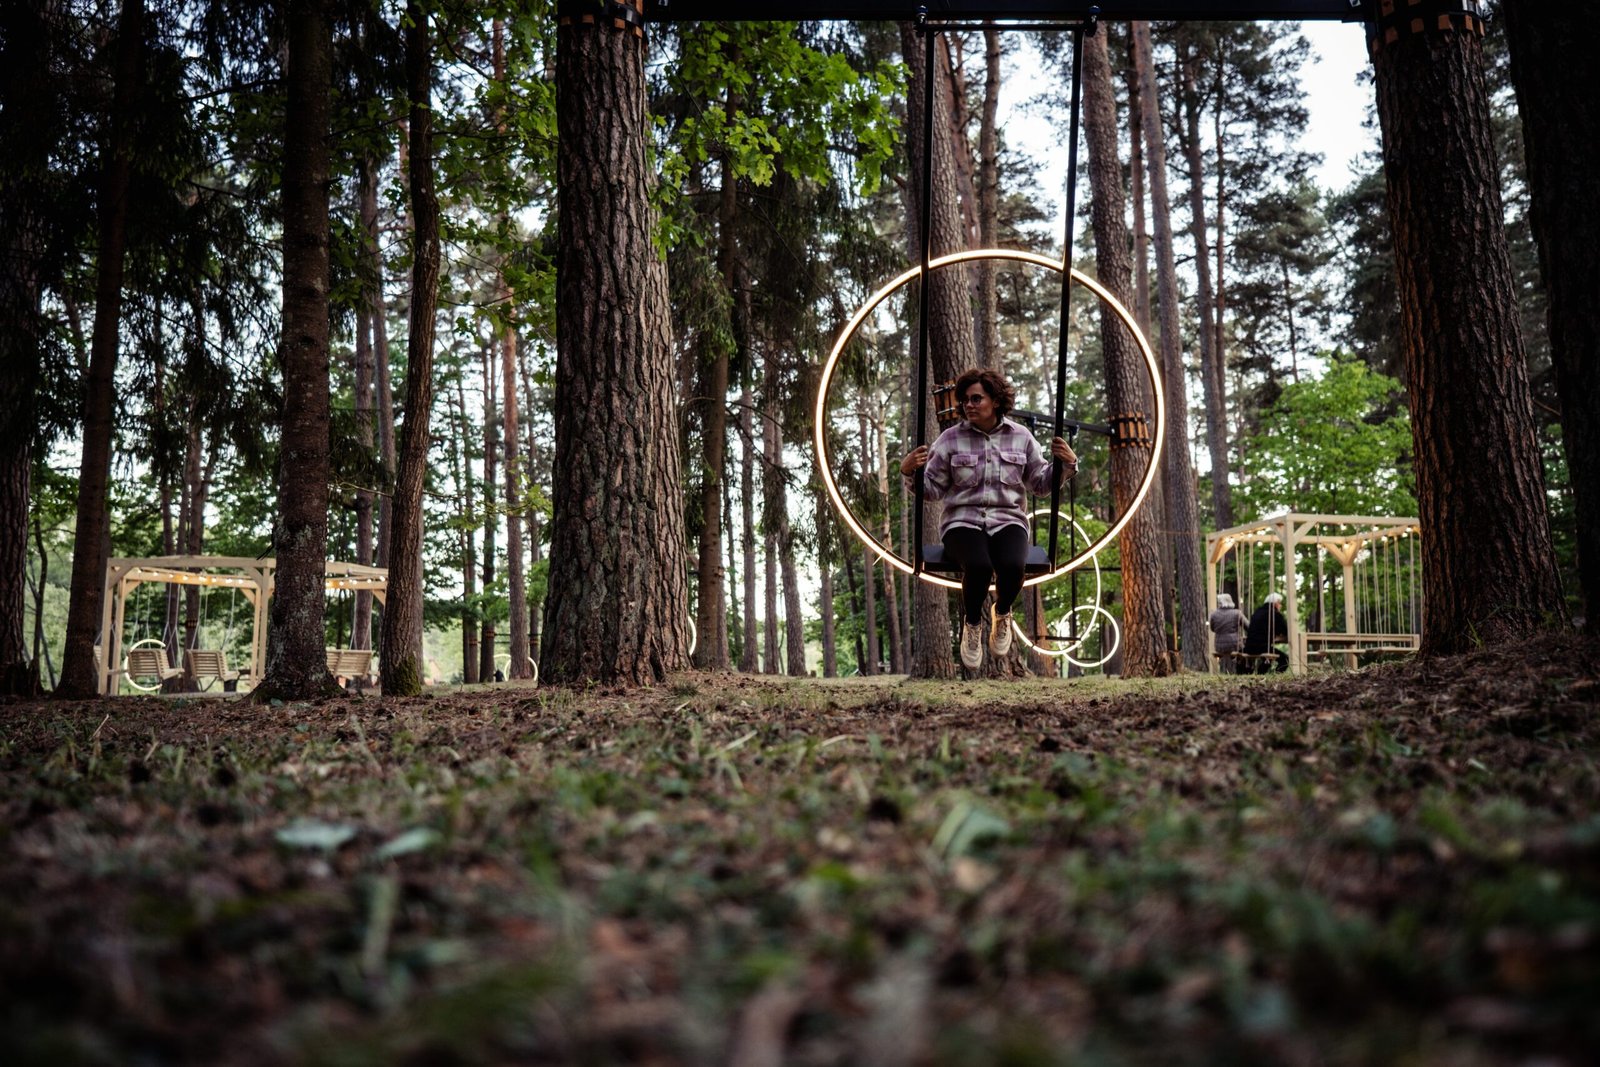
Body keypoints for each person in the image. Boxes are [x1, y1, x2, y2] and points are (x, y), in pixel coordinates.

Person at [900, 367, 1078, 670]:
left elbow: (1040, 484)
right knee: (980, 566)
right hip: (962, 522)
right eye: (965, 400)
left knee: (1012, 565)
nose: (968, 405)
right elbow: (931, 490)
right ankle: (971, 624)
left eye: (976, 398)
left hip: (1008, 519)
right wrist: (908, 471)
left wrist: (1067, 464)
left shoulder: (1021, 438)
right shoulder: (950, 440)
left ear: (995, 401)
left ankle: (1003, 611)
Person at [1242, 592, 1290, 673]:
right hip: (1262, 647)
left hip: (1249, 646)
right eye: (1279, 603)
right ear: (1275, 603)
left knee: (1268, 659)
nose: (1280, 606)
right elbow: (1285, 631)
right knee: (1285, 659)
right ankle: (1276, 675)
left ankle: (1261, 674)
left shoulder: (1257, 612)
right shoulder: (1275, 614)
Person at [1208, 592, 1247, 673]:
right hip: (1234, 644)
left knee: (1224, 656)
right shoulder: (1237, 613)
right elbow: (1247, 626)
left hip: (1219, 646)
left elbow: (1212, 629)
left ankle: (1224, 671)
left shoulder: (1214, 614)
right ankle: (1238, 670)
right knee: (1243, 650)